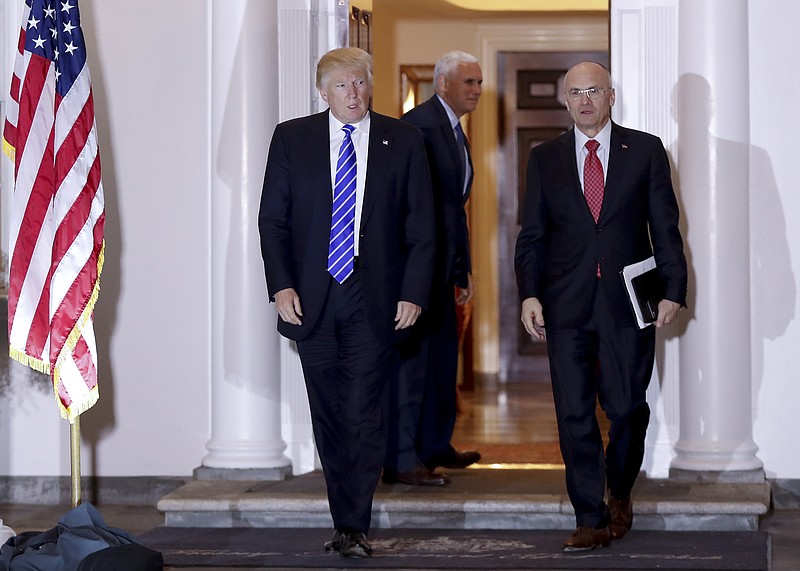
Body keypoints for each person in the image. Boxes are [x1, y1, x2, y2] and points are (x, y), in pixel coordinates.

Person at [258, 47, 435, 558]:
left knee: (363, 409)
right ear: (323, 92)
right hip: (310, 298)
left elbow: (422, 228)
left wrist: (413, 292)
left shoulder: (403, 140)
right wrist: (281, 285)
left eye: (359, 83)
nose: (353, 94)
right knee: (329, 412)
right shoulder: (293, 138)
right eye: (341, 86)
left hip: (373, 295)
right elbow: (273, 221)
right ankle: (343, 516)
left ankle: (354, 524)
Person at [514, 61, 687, 552]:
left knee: (628, 408)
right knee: (573, 413)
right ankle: (589, 515)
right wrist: (529, 292)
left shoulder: (646, 150)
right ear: (565, 101)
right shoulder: (544, 157)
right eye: (575, 92)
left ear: (612, 96)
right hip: (565, 303)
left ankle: (620, 490)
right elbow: (532, 235)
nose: (585, 99)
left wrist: (674, 287)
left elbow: (665, 226)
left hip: (628, 303)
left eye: (594, 90)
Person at [382, 51, 483, 487]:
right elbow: (411, 209)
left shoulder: (453, 129)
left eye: (479, 83)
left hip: (444, 271)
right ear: (443, 84)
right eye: (469, 83)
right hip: (417, 273)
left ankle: (435, 446)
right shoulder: (419, 127)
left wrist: (462, 271)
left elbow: (453, 209)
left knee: (443, 364)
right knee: (414, 367)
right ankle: (403, 459)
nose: (477, 90)